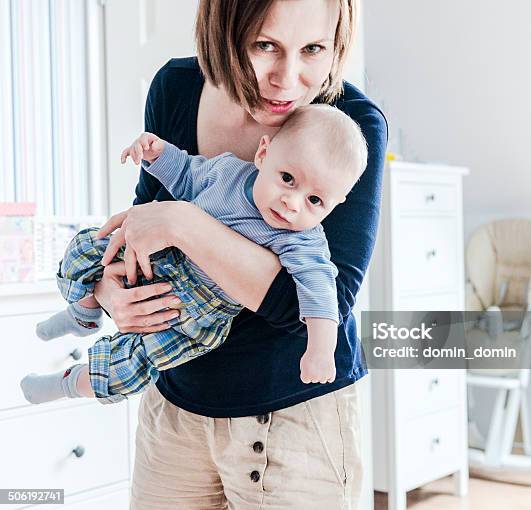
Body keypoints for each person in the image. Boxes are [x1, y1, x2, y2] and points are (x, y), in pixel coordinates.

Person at [94, 0, 386, 508]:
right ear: (224, 29)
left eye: (313, 49)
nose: (287, 79)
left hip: (294, 418)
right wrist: (108, 292)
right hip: (174, 407)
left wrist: (187, 225)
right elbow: (145, 224)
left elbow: (316, 306)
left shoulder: (351, 127)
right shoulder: (176, 88)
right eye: (264, 46)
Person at [21, 104, 368, 405]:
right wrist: (157, 153)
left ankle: (68, 383)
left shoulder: (302, 239)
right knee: (86, 247)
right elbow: (186, 174)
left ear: (335, 206)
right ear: (264, 154)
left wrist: (321, 351)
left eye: (315, 201)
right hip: (162, 257)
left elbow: (321, 293)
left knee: (130, 368)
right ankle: (84, 314)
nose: (292, 204)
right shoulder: (228, 173)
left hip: (195, 311)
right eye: (288, 178)